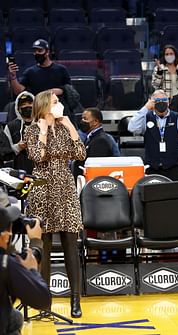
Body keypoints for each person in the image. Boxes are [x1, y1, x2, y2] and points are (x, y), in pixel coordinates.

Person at [24, 90, 86, 318]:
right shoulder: (32, 130)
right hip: (42, 190)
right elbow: (37, 156)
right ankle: (44, 302)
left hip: (65, 190)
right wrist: (42, 131)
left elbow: (80, 154)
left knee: (71, 244)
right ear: (44, 106)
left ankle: (75, 300)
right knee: (45, 247)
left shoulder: (63, 128)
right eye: (55, 102)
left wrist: (71, 127)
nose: (59, 105)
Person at [0, 191, 51, 335]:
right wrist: (35, 246)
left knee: (15, 317)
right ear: (5, 234)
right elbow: (42, 300)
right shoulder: (6, 264)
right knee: (14, 318)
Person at [128, 89, 178, 180]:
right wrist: (145, 108)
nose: (161, 103)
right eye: (157, 101)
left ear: (168, 102)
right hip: (152, 169)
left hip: (173, 168)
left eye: (164, 100)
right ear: (152, 102)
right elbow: (132, 128)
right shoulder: (145, 117)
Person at [74, 107, 120, 177]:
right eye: (82, 118)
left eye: (85, 119)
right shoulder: (91, 137)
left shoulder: (100, 140)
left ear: (95, 121)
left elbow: (95, 169)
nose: (82, 121)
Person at [151, 44, 178, 114]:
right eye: (167, 54)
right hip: (163, 101)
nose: (169, 56)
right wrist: (160, 72)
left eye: (171, 53)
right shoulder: (159, 68)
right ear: (164, 56)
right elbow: (155, 85)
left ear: (175, 55)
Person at [3, 92, 35, 174]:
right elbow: (5, 153)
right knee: (25, 186)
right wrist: (18, 147)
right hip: (19, 173)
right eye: (23, 104)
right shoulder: (10, 127)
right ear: (18, 108)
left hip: (41, 171)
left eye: (30, 103)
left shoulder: (43, 124)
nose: (27, 106)